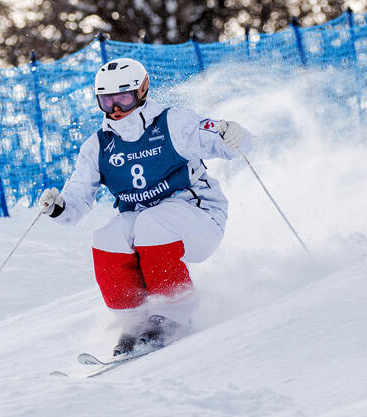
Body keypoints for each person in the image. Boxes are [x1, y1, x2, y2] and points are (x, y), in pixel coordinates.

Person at [39, 58, 253, 357]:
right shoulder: (98, 146)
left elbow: (225, 143)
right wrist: (59, 207)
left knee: (151, 222)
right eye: (106, 101)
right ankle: (135, 321)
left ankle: (175, 313)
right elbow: (76, 201)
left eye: (123, 98)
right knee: (108, 236)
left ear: (141, 91)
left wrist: (233, 135)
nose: (115, 109)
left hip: (199, 217)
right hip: (147, 226)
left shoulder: (172, 123)